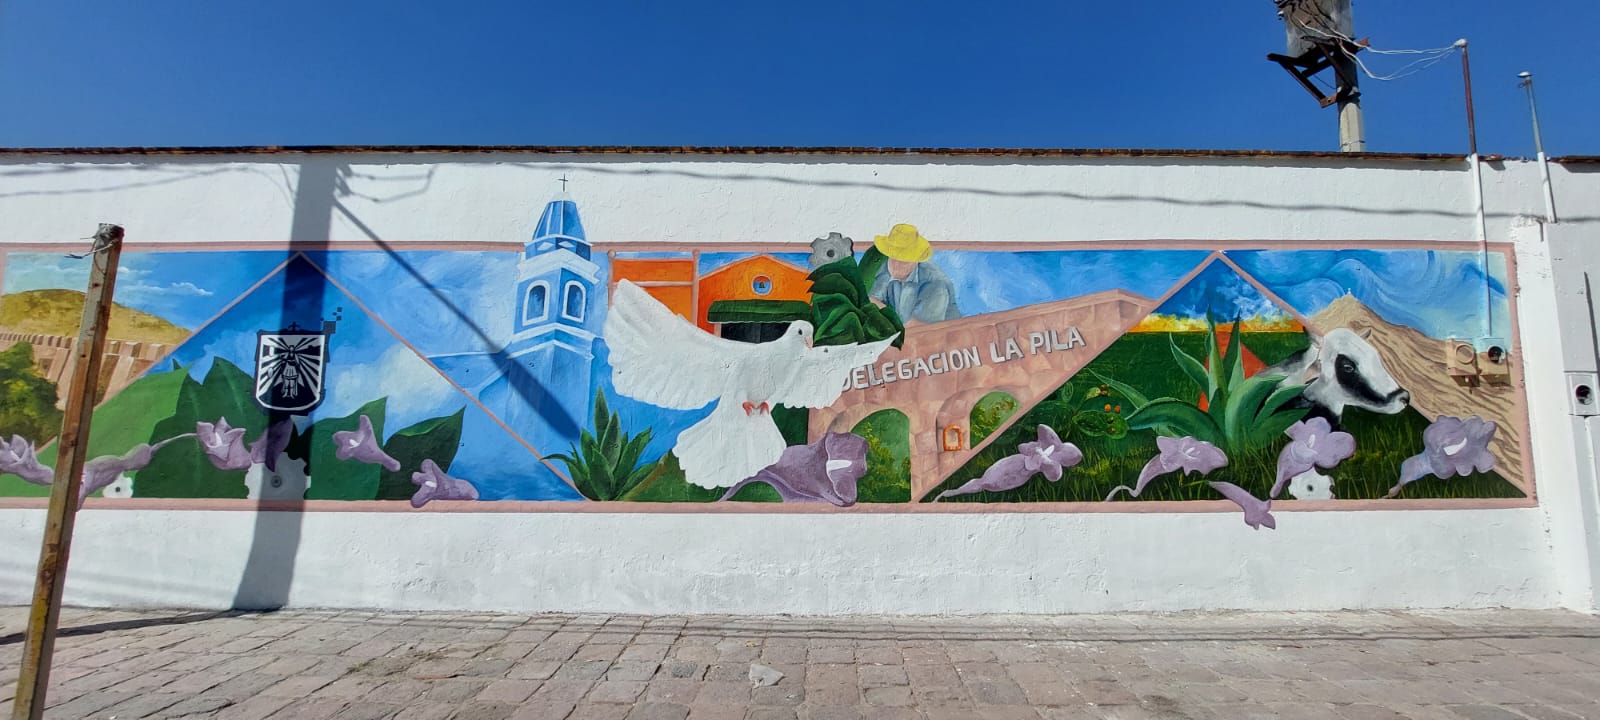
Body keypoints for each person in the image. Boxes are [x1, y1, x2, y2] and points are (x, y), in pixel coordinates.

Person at [868, 224, 961, 324]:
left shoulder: (935, 283)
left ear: (916, 259)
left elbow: (920, 328)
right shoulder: (886, 269)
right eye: (893, 259)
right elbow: (872, 301)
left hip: (941, 333)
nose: (896, 266)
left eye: (903, 261)